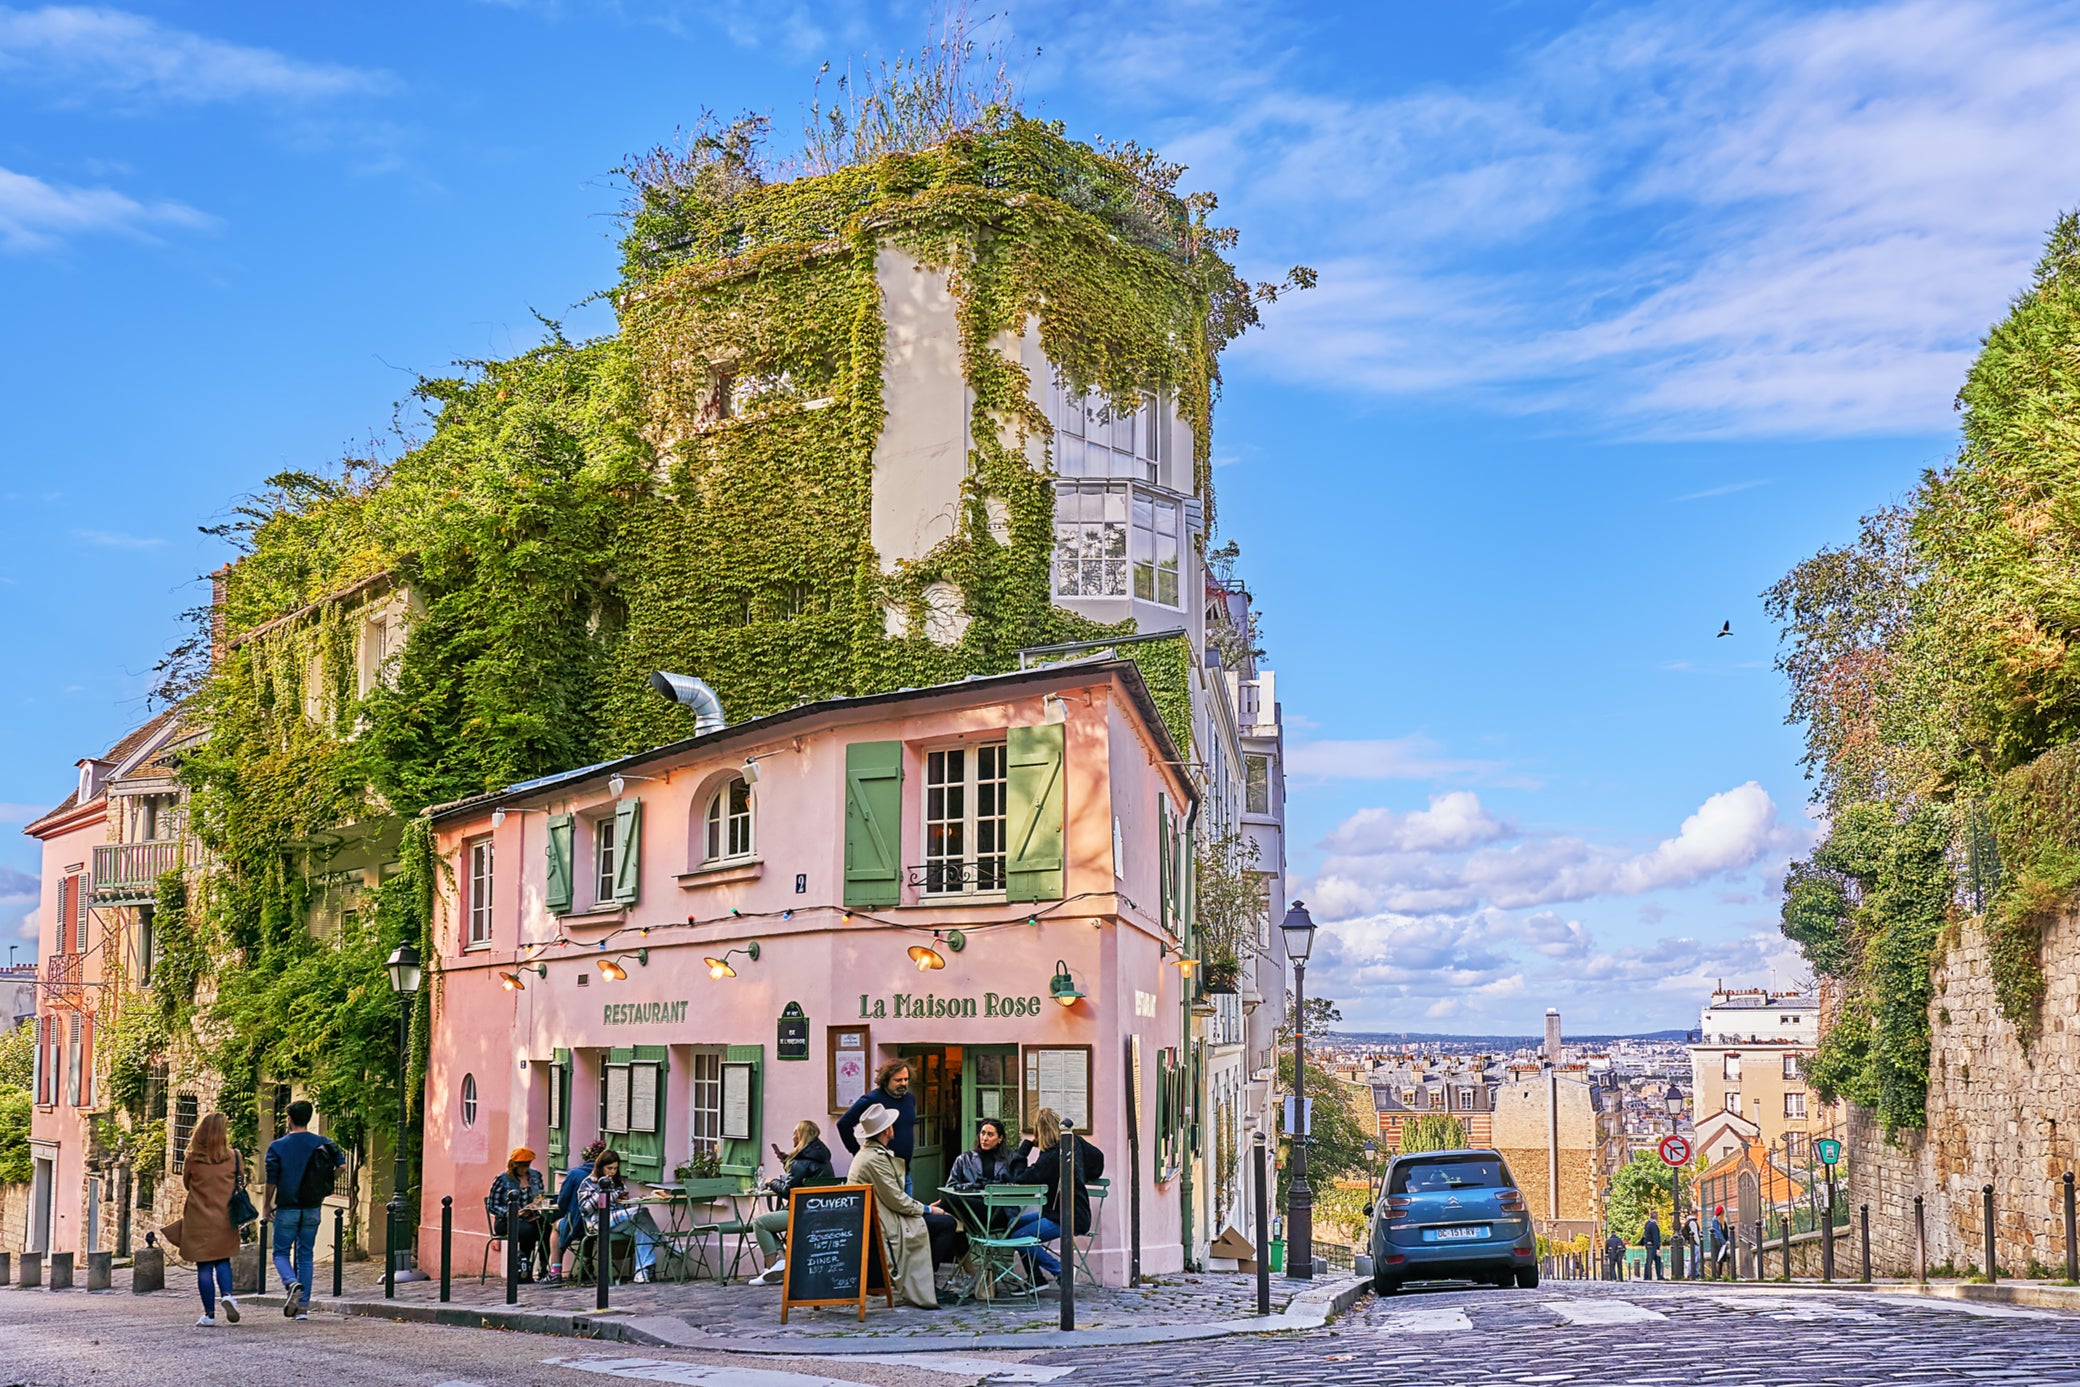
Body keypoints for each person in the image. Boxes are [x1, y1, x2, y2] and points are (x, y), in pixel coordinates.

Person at [848, 1102, 940, 1308]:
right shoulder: (873, 1159)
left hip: (883, 1214)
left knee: (945, 1223)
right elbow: (895, 1199)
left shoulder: (872, 1154)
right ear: (886, 1130)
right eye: (891, 1125)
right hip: (882, 1220)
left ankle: (937, 1284)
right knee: (945, 1225)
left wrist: (923, 1209)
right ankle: (923, 1284)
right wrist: (926, 1209)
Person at [1006, 1107, 1106, 1289]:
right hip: (1069, 1213)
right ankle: (1036, 1279)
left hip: (1066, 1217)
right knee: (1015, 1223)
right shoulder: (1074, 1142)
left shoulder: (1050, 1157)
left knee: (1018, 1236)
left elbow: (1019, 1178)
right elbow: (1098, 1158)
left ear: (1039, 1132)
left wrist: (1025, 1148)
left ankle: (1060, 1270)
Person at [264, 1098, 344, 1321]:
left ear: (289, 1119)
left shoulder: (278, 1146)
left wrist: (266, 1205)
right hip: (312, 1206)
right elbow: (342, 1166)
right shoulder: (323, 1142)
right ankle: (303, 1309)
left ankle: (291, 1283)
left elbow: (272, 1180)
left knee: (280, 1252)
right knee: (305, 1254)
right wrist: (326, 1182)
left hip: (288, 1206)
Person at [170, 1111, 244, 1327]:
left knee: (204, 1266)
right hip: (225, 1216)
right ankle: (228, 1295)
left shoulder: (193, 1159)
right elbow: (241, 1181)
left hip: (198, 1217)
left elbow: (186, 1183)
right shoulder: (235, 1156)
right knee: (223, 1260)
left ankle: (209, 1314)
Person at [748, 1120, 837, 1286]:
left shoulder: (799, 1162)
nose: (792, 1136)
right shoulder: (823, 1158)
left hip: (801, 1213)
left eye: (795, 1133)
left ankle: (774, 1267)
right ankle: (781, 1262)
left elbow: (788, 1191)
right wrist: (787, 1163)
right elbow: (804, 1177)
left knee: (760, 1223)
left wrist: (770, 1182)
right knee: (769, 1224)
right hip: (822, 1212)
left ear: (800, 1136)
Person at [573, 1147, 663, 1282]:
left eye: (615, 1168)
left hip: (619, 1218)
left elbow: (625, 1206)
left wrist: (624, 1198)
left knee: (642, 1224)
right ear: (601, 1167)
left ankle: (642, 1272)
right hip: (599, 1221)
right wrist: (607, 1192)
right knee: (641, 1213)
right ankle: (667, 1245)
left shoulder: (619, 1183)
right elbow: (585, 1209)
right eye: (609, 1168)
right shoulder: (588, 1183)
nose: (612, 1172)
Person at [837, 1061, 917, 1179]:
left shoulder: (909, 1099)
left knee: (906, 1198)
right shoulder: (872, 1099)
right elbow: (843, 1124)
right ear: (886, 1080)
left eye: (906, 1079)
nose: (903, 1083)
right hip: (881, 1170)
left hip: (904, 1171)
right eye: (898, 1080)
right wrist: (856, 1151)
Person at [543, 1139, 605, 1284]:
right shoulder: (609, 1175)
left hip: (578, 1222)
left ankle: (555, 1271)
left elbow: (562, 1201)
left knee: (556, 1228)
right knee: (588, 1230)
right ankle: (586, 1264)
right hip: (600, 1223)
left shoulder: (575, 1174)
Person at [488, 1147, 548, 1280]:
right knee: (528, 1230)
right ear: (514, 1165)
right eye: (522, 1166)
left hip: (530, 1217)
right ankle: (523, 1267)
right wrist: (512, 1212)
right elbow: (493, 1205)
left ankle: (544, 1268)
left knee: (547, 1229)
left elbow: (540, 1196)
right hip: (506, 1221)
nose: (525, 1169)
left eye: (527, 1165)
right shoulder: (502, 1179)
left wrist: (535, 1205)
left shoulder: (536, 1176)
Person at [1711, 1205, 1734, 1277]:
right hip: (1717, 1241)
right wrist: (1724, 1241)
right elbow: (1717, 1232)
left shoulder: (1724, 1220)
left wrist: (1728, 1240)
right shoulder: (1715, 1220)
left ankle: (1719, 1274)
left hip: (1722, 1242)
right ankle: (1717, 1275)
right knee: (1718, 1258)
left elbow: (1726, 1231)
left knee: (1721, 1258)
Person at [1642, 1211, 1663, 1280]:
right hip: (1653, 1245)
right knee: (1651, 1261)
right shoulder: (1654, 1225)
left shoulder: (1647, 1223)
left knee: (1653, 1260)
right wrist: (1657, 1248)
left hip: (1648, 1245)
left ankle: (1650, 1276)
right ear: (1656, 1217)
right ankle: (1650, 1276)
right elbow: (1656, 1237)